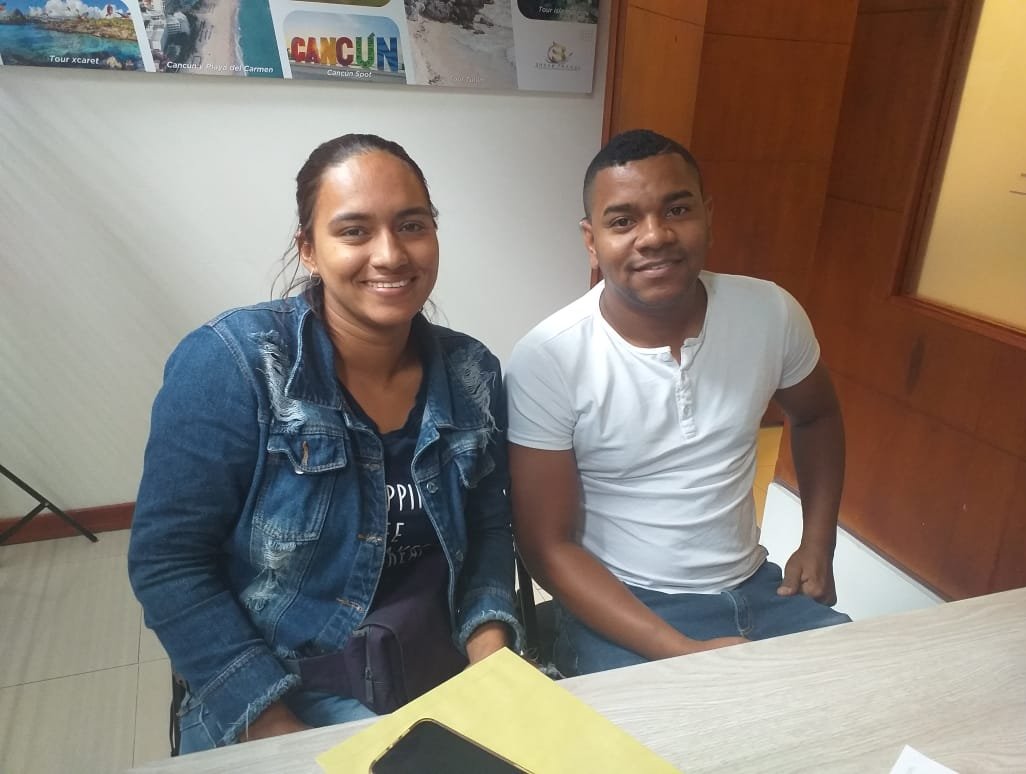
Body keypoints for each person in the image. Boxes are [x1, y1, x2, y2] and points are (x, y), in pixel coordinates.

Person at [129, 134, 520, 752]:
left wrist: (492, 665)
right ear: (308, 249)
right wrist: (279, 733)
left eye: (412, 225)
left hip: (434, 664)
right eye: (354, 231)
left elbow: (489, 530)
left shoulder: (471, 371)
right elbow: (169, 563)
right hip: (280, 689)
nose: (390, 254)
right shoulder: (233, 364)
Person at [506, 129, 850, 677]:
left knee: (862, 689)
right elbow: (546, 546)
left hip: (759, 587)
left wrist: (818, 541)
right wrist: (679, 650)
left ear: (709, 215)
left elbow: (816, 415)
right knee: (680, 729)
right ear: (591, 240)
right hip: (624, 605)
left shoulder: (769, 311)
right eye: (623, 221)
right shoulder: (549, 358)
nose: (655, 236)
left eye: (677, 210)